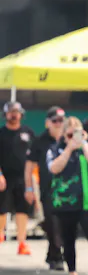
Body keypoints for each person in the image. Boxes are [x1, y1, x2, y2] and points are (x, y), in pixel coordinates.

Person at [46, 117, 88, 275]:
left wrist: (83, 143)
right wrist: (69, 148)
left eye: (77, 133)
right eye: (70, 134)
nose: (74, 138)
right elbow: (54, 168)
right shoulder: (56, 149)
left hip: (87, 203)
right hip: (66, 203)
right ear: (64, 134)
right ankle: (72, 272)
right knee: (68, 240)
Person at [25, 106, 65, 270]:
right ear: (47, 122)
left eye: (61, 120)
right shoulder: (40, 141)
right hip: (48, 189)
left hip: (67, 189)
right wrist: (29, 189)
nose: (58, 124)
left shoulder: (68, 139)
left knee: (62, 224)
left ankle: (52, 254)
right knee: (52, 222)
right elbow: (29, 167)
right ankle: (58, 256)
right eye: (55, 121)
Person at [0, 101, 35, 255]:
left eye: (16, 112)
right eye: (11, 112)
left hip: (24, 178)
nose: (14, 115)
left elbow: (35, 156)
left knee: (23, 210)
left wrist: (32, 179)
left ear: (21, 114)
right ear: (5, 114)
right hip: (4, 178)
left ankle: (22, 243)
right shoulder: (1, 133)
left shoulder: (28, 133)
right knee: (2, 209)